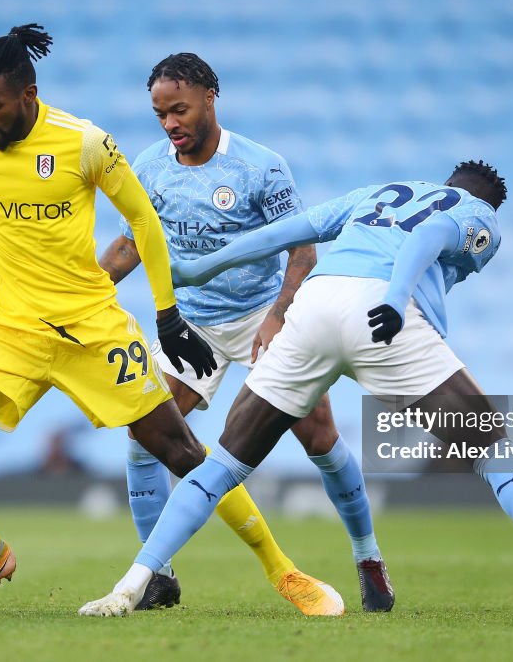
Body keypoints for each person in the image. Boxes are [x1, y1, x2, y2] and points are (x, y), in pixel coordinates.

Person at [0, 26, 340, 615]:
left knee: (182, 453)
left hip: (92, 331)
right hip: (10, 330)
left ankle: (283, 572)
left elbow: (143, 223)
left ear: (28, 94)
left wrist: (167, 313)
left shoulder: (84, 144)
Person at [79, 161, 513, 623]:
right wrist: (397, 297)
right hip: (382, 313)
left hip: (315, 307)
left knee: (221, 466)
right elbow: (430, 235)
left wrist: (203, 267)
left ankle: (130, 586)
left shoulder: (379, 193)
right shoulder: (480, 218)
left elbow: (287, 233)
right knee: (496, 454)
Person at [98, 53, 392, 613]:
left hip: (264, 315)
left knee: (320, 437)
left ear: (210, 97)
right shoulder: (151, 167)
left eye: (179, 110)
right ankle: (156, 574)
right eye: (160, 114)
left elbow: (302, 250)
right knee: (142, 432)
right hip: (194, 327)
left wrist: (280, 313)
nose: (170, 124)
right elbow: (131, 245)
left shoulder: (261, 167)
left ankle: (367, 555)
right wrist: (82, 288)